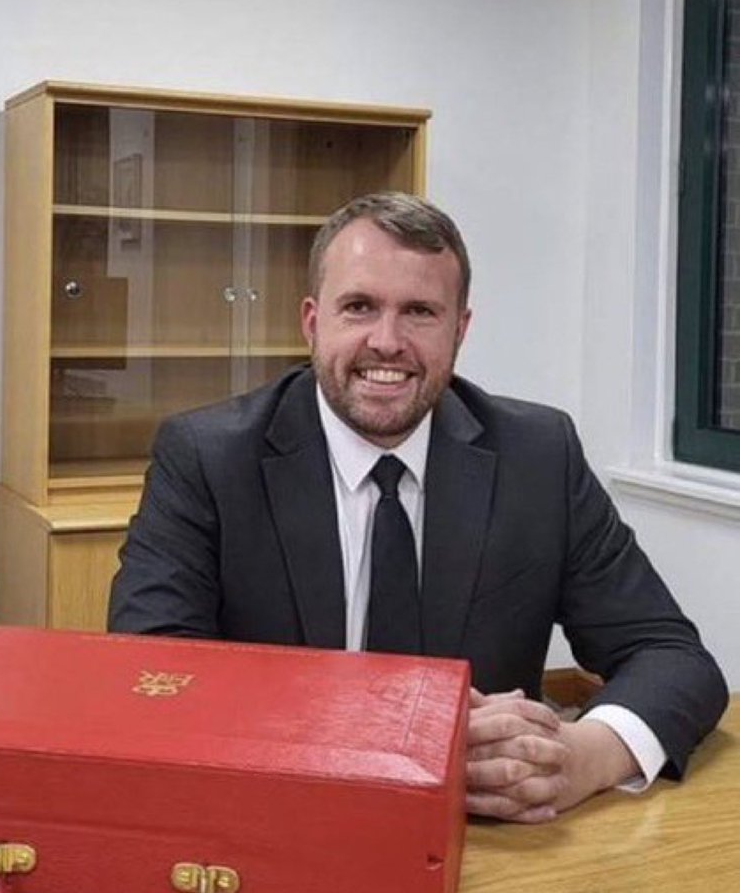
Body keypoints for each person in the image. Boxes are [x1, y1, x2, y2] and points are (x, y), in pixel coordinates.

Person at [108, 192, 728, 823]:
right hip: (275, 821)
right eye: (359, 307)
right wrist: (393, 741)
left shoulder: (538, 457)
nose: (387, 342)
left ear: (460, 329)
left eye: (420, 312)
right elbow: (154, 672)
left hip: (483, 837)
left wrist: (583, 757)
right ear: (311, 321)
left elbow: (672, 656)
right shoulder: (209, 458)